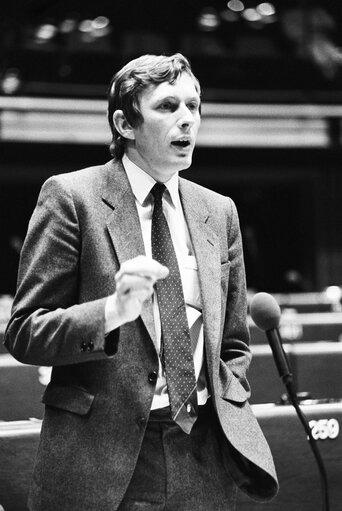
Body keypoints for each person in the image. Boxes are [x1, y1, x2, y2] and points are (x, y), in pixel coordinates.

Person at [4, 53, 278, 510]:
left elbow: (232, 342)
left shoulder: (219, 211)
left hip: (206, 450)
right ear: (125, 124)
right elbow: (25, 332)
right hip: (105, 457)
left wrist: (228, 397)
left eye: (194, 106)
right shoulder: (73, 198)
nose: (187, 120)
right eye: (168, 107)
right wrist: (112, 311)